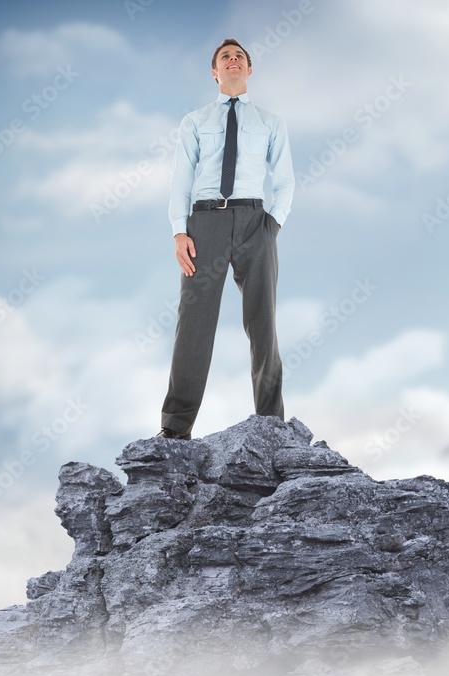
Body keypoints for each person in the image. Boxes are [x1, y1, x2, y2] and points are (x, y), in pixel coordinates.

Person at [156, 38, 295, 440]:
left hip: (256, 222)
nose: (233, 61)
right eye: (224, 57)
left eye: (239, 57)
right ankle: (175, 429)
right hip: (205, 224)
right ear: (214, 72)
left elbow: (284, 180)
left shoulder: (270, 122)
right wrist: (179, 231)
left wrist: (273, 225)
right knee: (193, 325)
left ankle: (272, 427)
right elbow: (180, 180)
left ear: (249, 70)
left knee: (263, 324)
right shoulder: (194, 122)